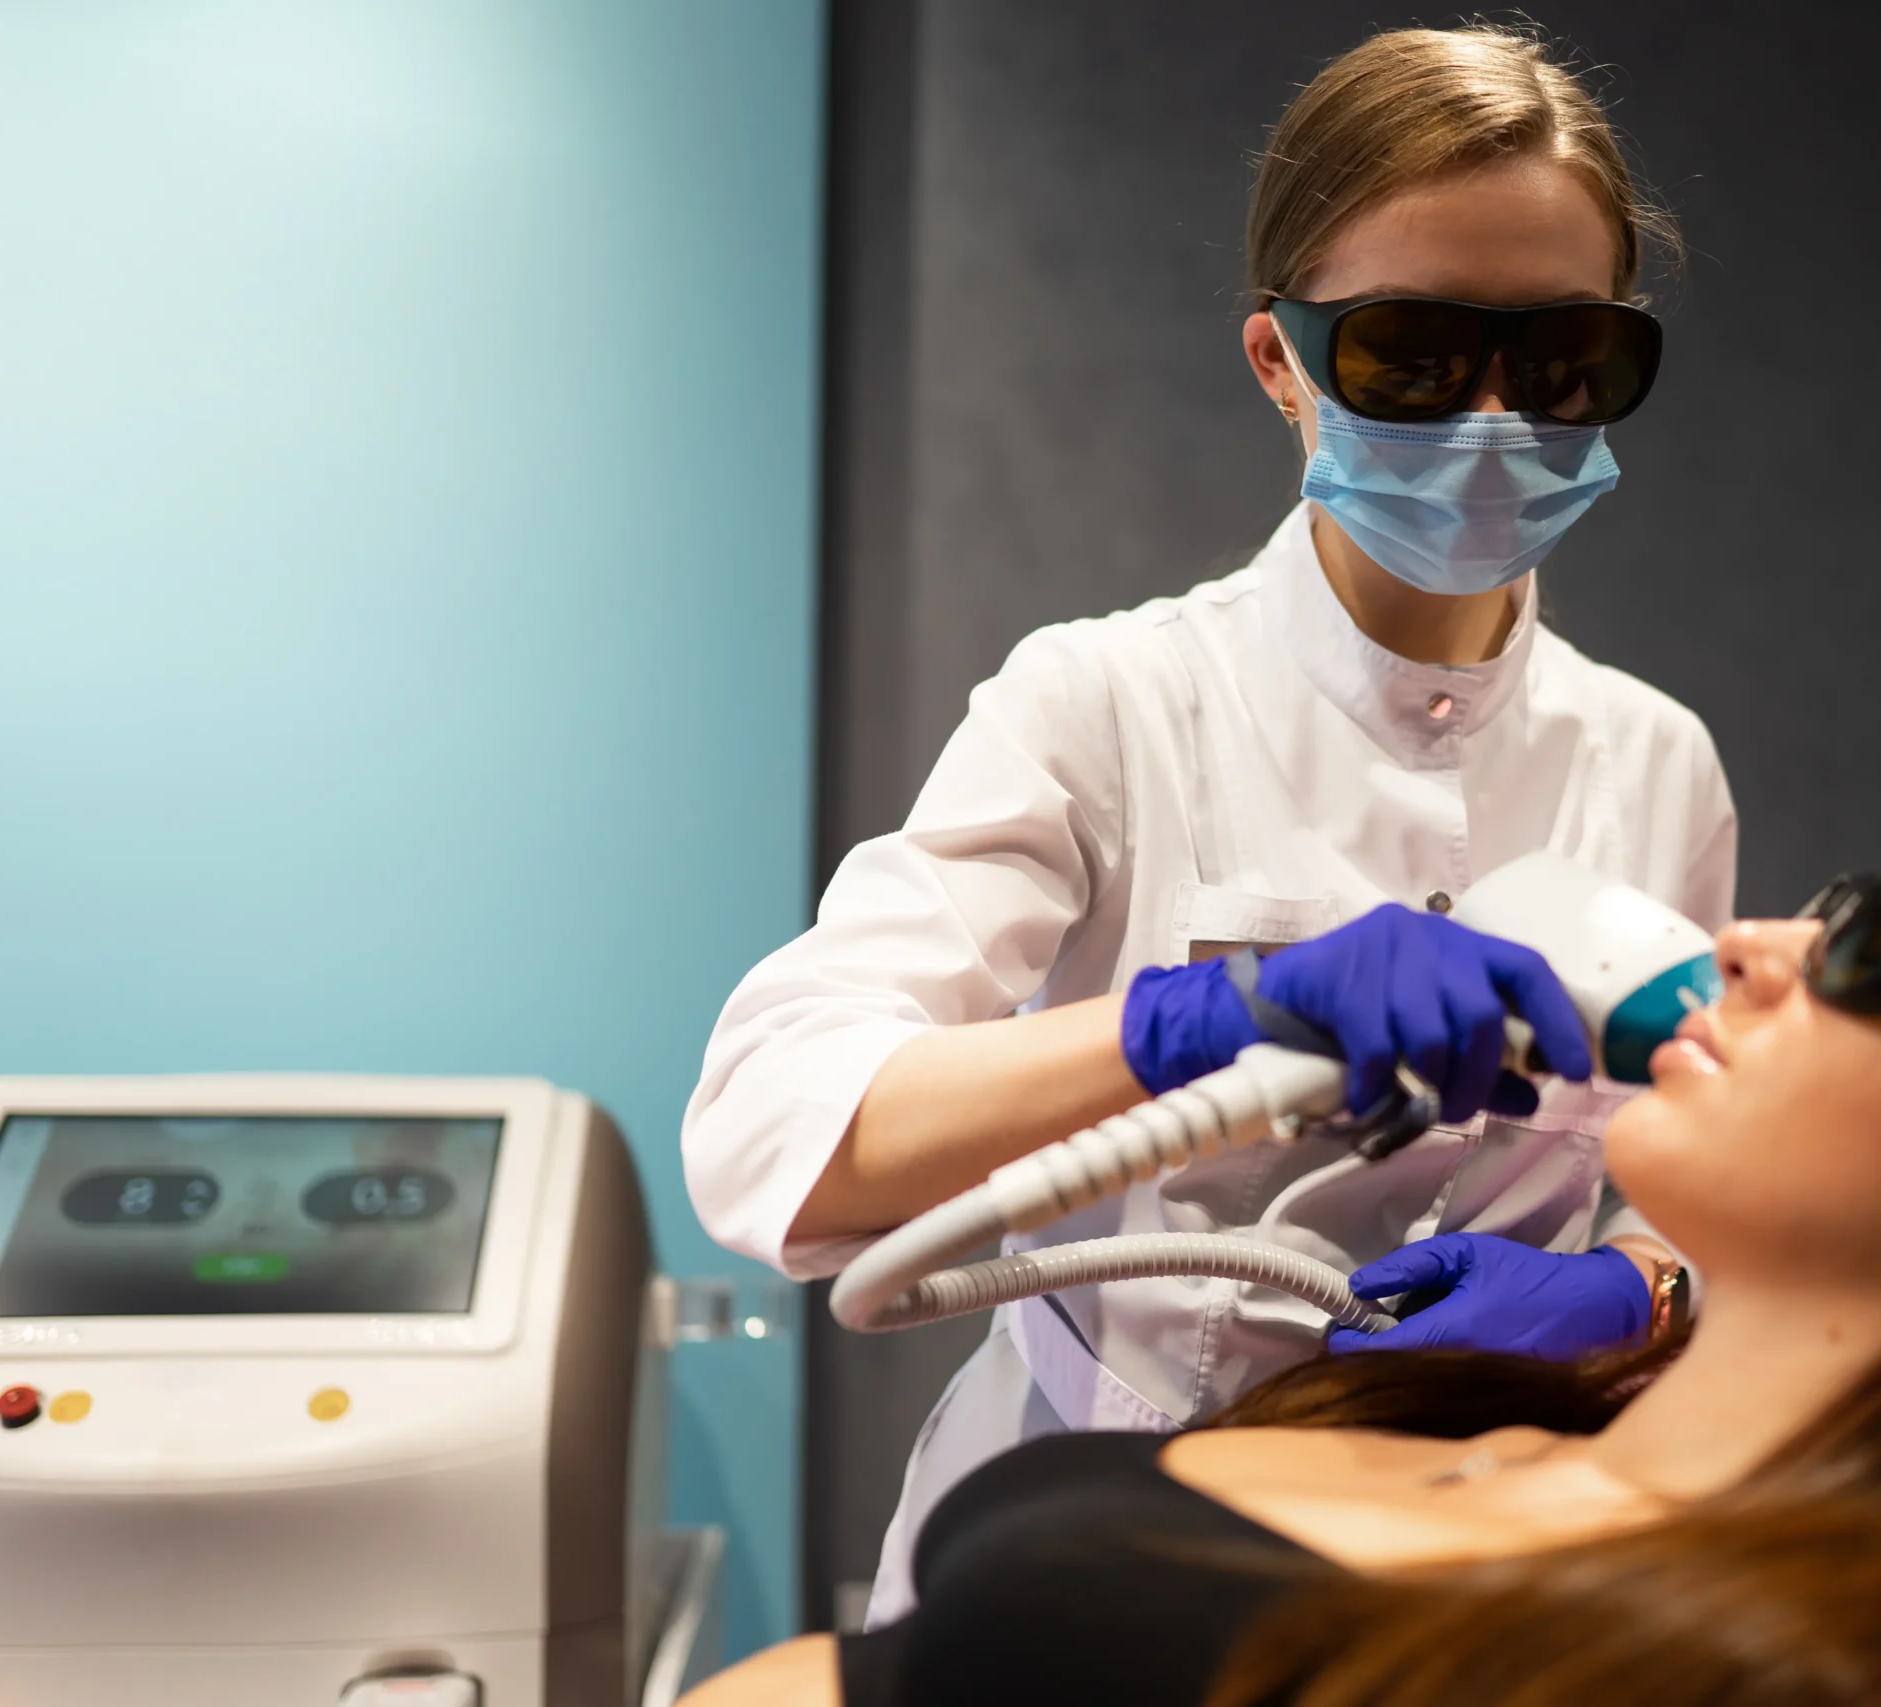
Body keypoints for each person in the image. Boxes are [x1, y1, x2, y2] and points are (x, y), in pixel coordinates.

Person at [682, 23, 1736, 1623]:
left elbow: (1702, 1177)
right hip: (1081, 1546)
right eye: (1409, 354)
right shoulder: (1106, 703)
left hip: (1463, 1553)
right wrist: (1200, 1026)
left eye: (1566, 356)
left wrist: (1627, 1288)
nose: (1498, 415)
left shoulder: (1658, 764)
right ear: (1278, 363)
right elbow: (775, 1134)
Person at [681, 795, 1881, 1706]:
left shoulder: (1764, 1666)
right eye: (1834, 901)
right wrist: (1180, 1027)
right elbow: (771, 1142)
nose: (1754, 945)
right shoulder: (1500, 1415)